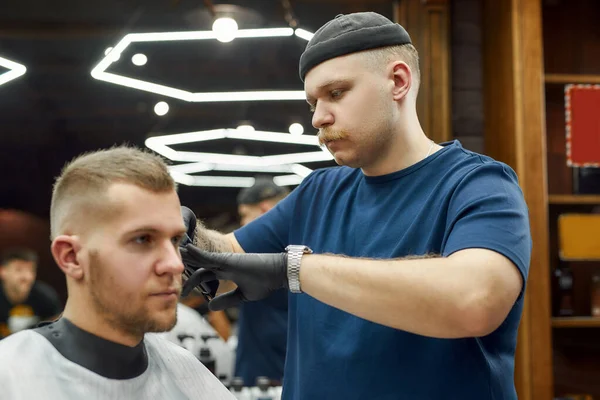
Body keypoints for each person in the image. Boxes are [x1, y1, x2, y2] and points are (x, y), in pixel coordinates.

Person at [181, 11, 533, 400]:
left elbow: (475, 299)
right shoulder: (317, 192)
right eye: (313, 101)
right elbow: (227, 263)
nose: (318, 118)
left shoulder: (478, 184)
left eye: (336, 93)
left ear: (398, 82)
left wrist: (295, 269)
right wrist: (175, 227)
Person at [0, 146, 234, 399]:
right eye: (143, 239)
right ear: (72, 257)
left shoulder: (188, 373)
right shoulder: (11, 378)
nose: (176, 264)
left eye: (176, 240)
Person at [233, 178, 289, 386]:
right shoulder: (309, 247)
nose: (242, 223)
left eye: (245, 215)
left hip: (263, 371)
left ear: (264, 211)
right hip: (295, 369)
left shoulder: (256, 252)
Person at [0, 248, 62, 339]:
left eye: (31, 270)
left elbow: (57, 325)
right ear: (2, 271)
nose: (27, 277)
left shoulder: (45, 295)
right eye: (19, 270)